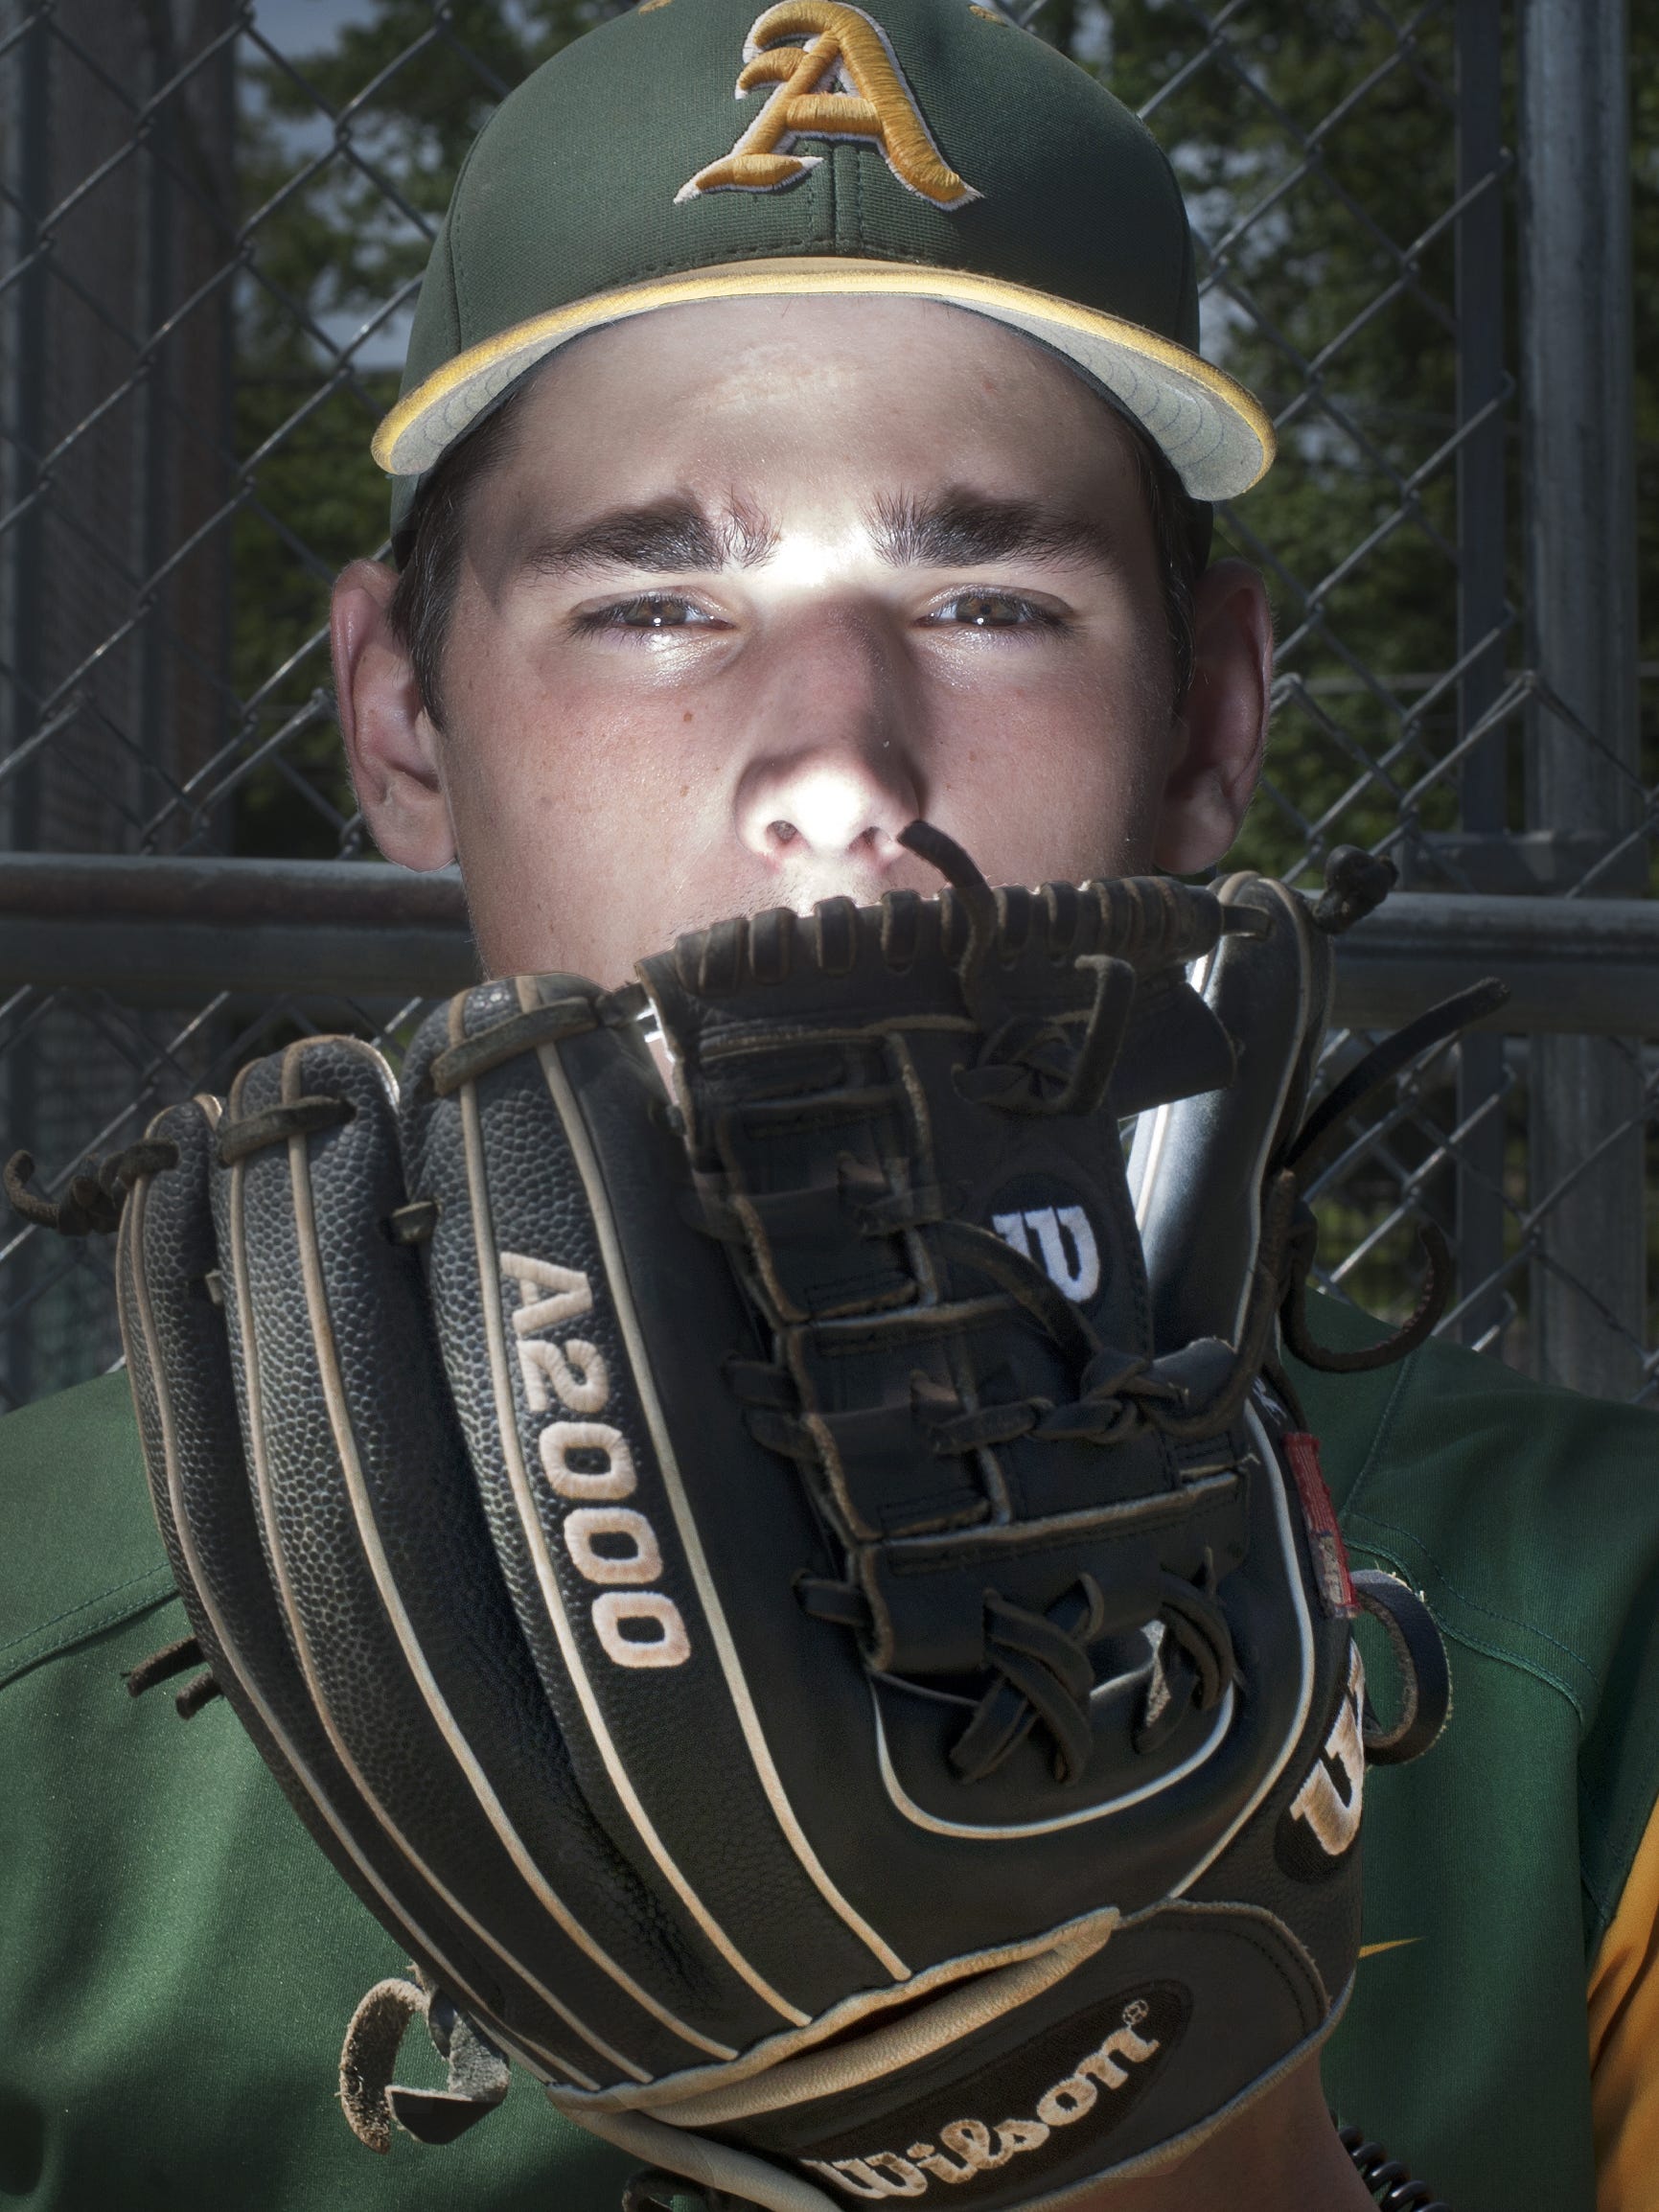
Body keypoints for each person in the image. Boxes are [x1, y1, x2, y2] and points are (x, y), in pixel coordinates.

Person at [1, 3, 1656, 2206]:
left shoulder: (1602, 1608)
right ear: (397, 715)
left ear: (1207, 720)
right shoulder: (28, 1648)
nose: (834, 770)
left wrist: (1170, 2135)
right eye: (653, 597)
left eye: (983, 596)